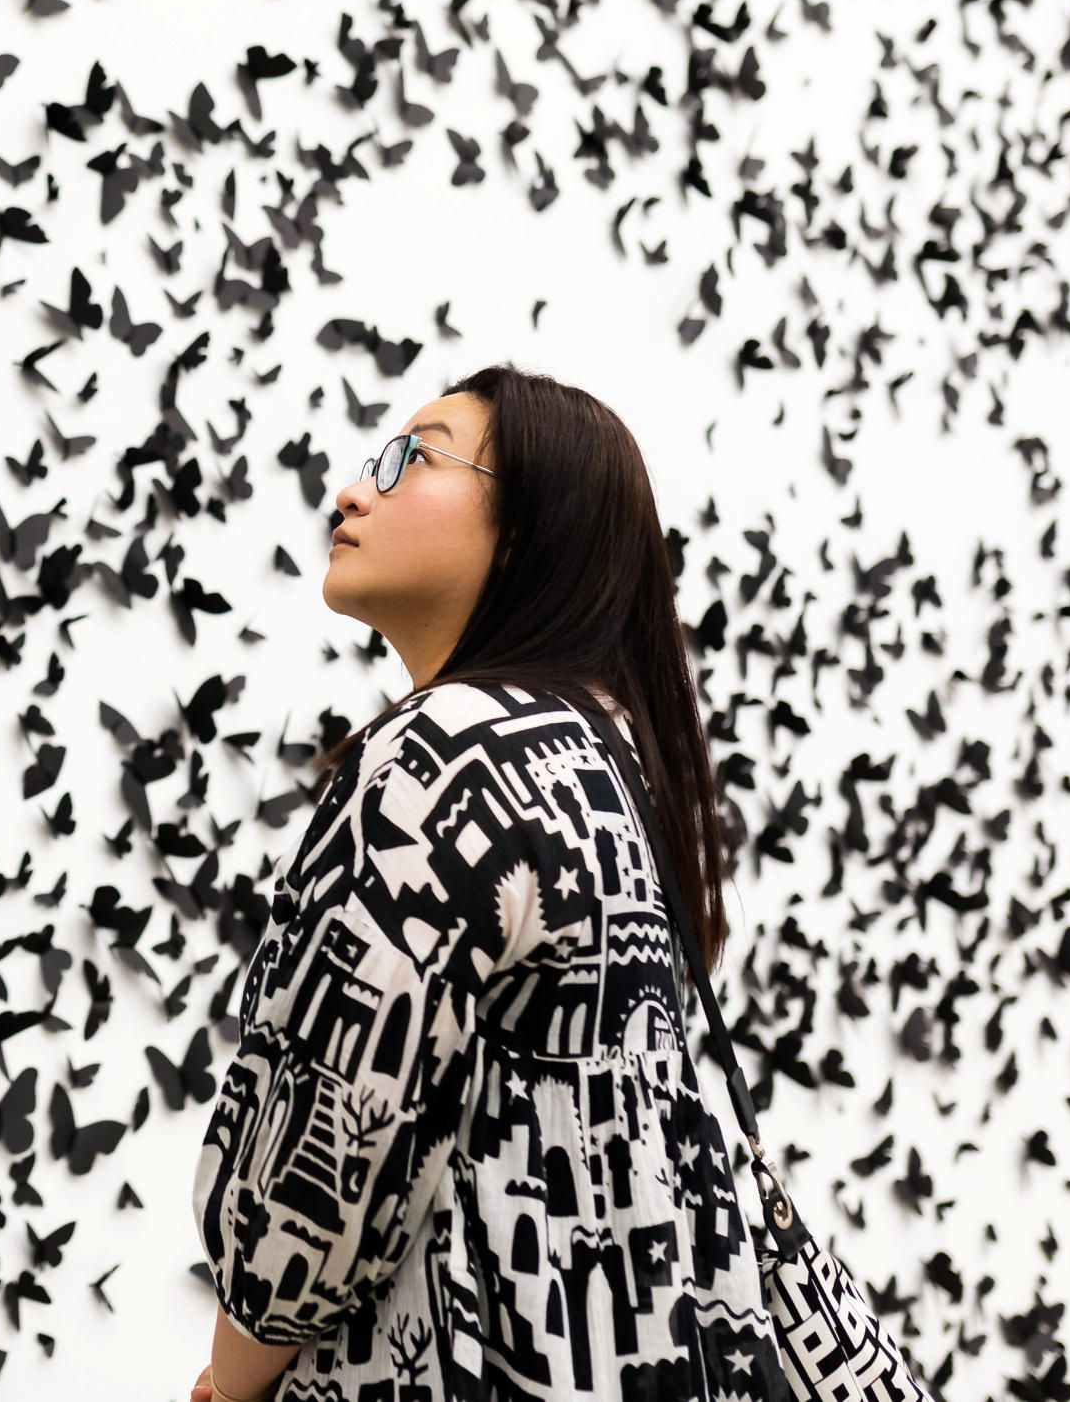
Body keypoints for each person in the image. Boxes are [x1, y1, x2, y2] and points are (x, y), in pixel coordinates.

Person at [188, 365, 787, 1401]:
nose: (350, 491)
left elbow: (330, 1142)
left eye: (411, 457)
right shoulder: (607, 765)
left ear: (523, 531)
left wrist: (229, 1374)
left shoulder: (450, 750)